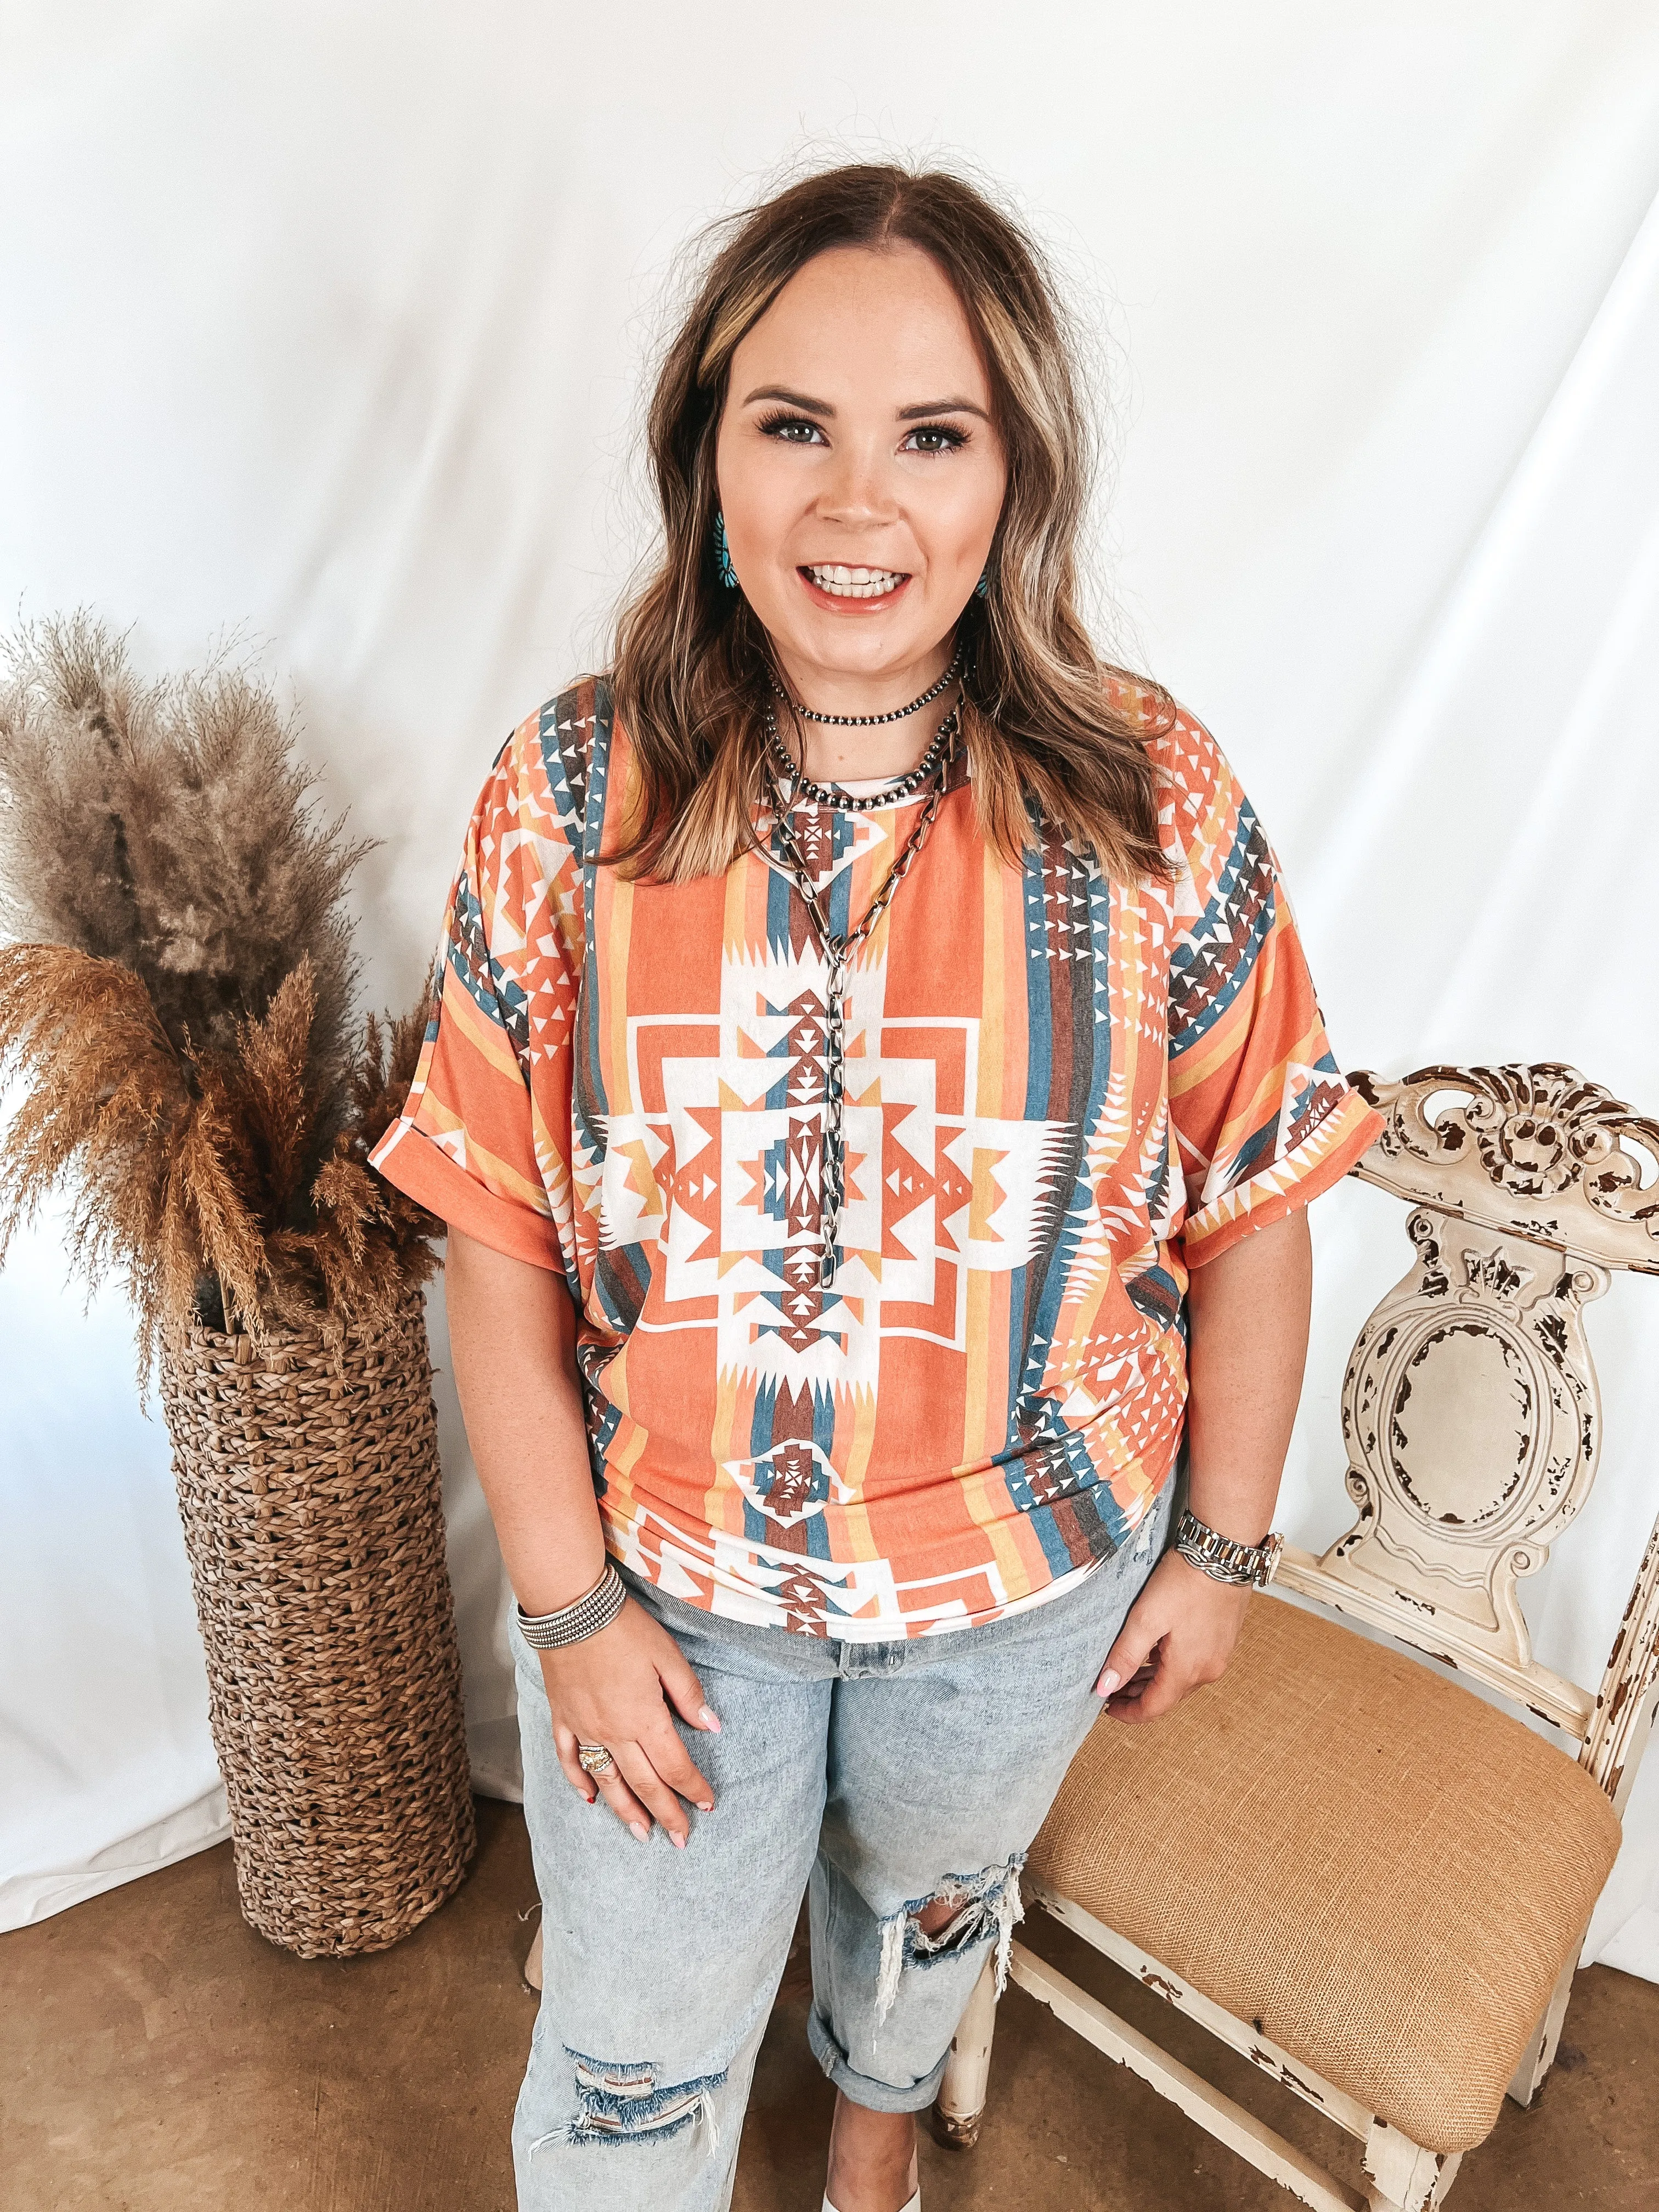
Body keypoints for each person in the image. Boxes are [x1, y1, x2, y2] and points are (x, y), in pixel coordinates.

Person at [369, 161, 1381, 2212]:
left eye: (933, 435)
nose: (859, 507)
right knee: (637, 2042)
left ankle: (874, 2139)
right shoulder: (573, 798)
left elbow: (1256, 1194)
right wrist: (564, 1612)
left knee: (923, 1906)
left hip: (1027, 1594)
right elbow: (491, 1224)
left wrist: (1223, 1549)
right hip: (672, 1589)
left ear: (1016, 472)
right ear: (705, 457)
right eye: (793, 426)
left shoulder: (1149, 796)